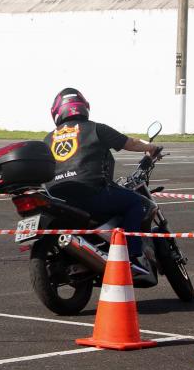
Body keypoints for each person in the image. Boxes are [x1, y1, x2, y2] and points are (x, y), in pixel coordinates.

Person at [43, 87, 161, 273]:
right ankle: (133, 255)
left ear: (56, 112)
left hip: (58, 199)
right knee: (139, 204)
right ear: (84, 107)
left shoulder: (48, 138)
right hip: (91, 193)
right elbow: (130, 143)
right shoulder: (96, 128)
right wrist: (152, 147)